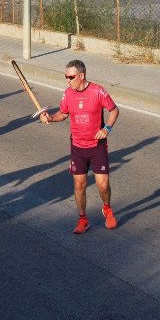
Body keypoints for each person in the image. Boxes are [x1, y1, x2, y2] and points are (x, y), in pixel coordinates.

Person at [39, 59, 119, 234]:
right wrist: (51, 118)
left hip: (97, 145)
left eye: (71, 77)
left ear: (81, 76)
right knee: (79, 185)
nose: (67, 80)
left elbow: (114, 110)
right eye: (66, 76)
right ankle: (83, 219)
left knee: (103, 184)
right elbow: (63, 113)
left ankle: (107, 208)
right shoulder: (68, 93)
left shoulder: (98, 91)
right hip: (77, 146)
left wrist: (107, 128)